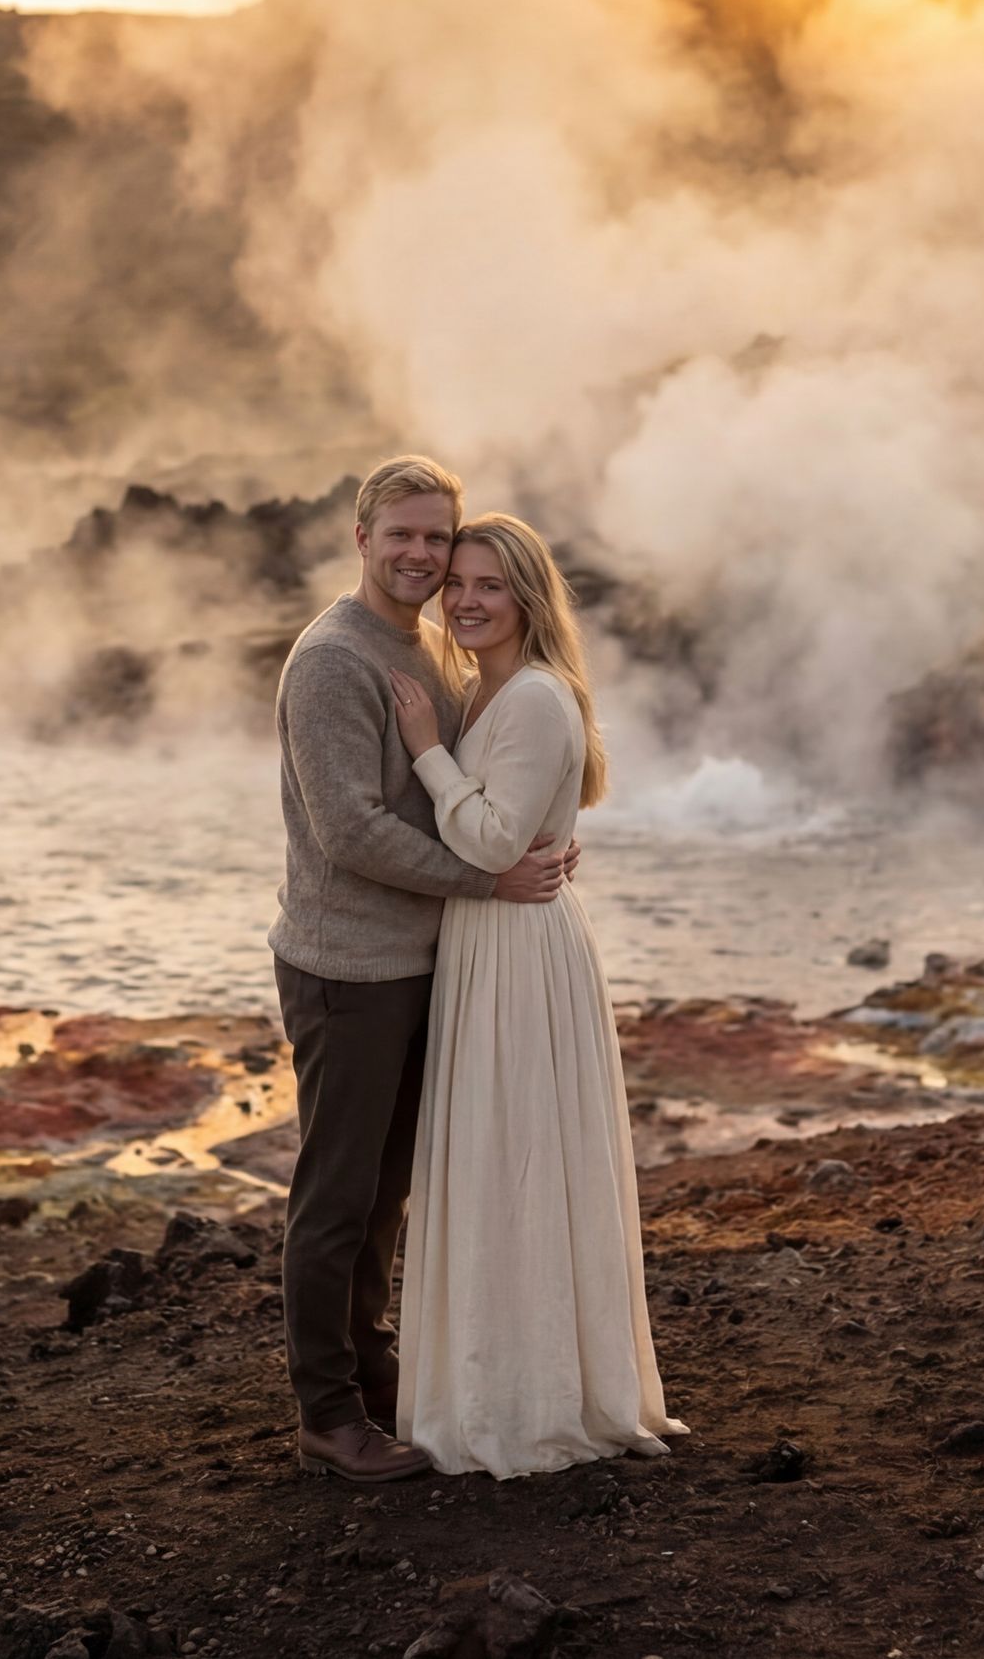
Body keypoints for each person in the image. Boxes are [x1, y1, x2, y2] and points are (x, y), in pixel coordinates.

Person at [270, 456, 579, 1483]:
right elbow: (351, 831)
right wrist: (491, 880)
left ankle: (373, 1373)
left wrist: (535, 837)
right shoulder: (332, 662)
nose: (420, 554)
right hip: (347, 967)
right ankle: (328, 1415)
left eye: (435, 537)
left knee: (385, 1196)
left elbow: (482, 790)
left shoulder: (435, 648)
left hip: (422, 963)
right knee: (336, 1198)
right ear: (362, 537)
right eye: (400, 533)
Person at [387, 512, 686, 1478]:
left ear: (527, 595)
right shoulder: (487, 687)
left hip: (517, 946)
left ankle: (535, 1401)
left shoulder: (533, 698)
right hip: (492, 937)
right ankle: (499, 1382)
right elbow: (514, 825)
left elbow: (490, 839)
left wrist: (426, 749)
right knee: (499, 1159)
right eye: (457, 584)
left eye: (490, 585)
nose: (466, 600)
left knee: (518, 1157)